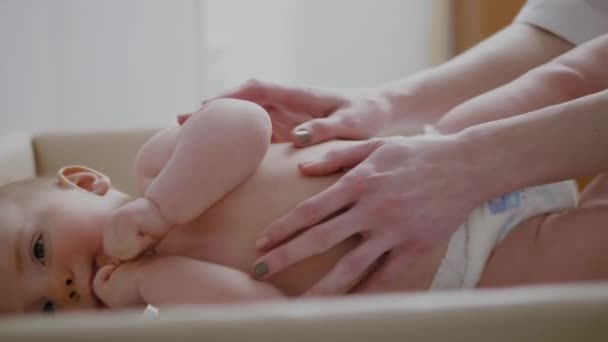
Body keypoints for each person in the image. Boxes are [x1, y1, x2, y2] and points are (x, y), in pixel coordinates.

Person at [2, 98, 608, 315]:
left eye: (38, 250)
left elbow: (242, 124)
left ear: (82, 181)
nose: (64, 285)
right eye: (49, 311)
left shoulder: (159, 167)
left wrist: (160, 210)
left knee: (547, 97)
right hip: (467, 269)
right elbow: (264, 312)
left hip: (440, 159)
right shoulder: (170, 306)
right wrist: (151, 283)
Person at [204, 0, 608, 295]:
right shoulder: (184, 249)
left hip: (455, 185)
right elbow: (574, 26)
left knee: (564, 80)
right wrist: (386, 104)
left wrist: (470, 160)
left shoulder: (172, 212)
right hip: (465, 219)